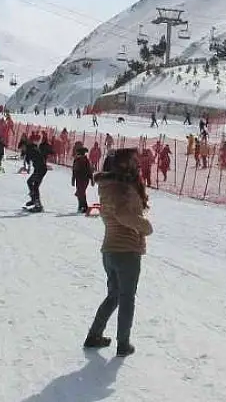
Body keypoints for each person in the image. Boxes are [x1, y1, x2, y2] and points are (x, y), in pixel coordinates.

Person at [83, 148, 153, 358]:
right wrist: (145, 226)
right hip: (126, 250)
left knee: (114, 295)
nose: (136, 166)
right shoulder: (122, 188)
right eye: (133, 162)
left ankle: (94, 335)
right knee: (126, 298)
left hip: (110, 249)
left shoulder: (108, 187)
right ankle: (123, 343)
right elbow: (123, 214)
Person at [72, 146, 94, 214]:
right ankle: (82, 207)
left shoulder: (81, 160)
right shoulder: (82, 160)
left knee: (80, 193)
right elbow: (89, 170)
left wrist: (92, 179)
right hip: (82, 179)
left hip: (82, 179)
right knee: (81, 193)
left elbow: (89, 170)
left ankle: (83, 207)